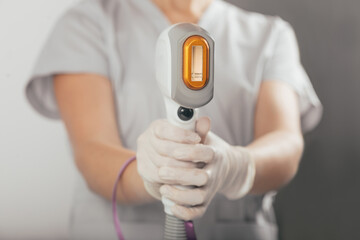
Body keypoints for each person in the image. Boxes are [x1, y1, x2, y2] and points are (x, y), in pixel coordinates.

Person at [25, 0, 322, 239]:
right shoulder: (89, 24)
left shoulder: (269, 35)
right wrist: (151, 173)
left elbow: (286, 144)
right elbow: (91, 150)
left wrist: (234, 166)